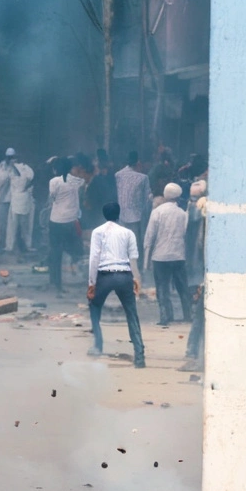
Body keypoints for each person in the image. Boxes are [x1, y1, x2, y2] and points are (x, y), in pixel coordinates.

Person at [86, 202, 146, 367]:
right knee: (131, 314)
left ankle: (98, 345)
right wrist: (136, 279)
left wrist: (91, 282)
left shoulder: (97, 232)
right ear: (118, 214)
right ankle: (140, 356)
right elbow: (133, 258)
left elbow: (94, 258)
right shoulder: (128, 233)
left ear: (104, 214)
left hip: (104, 275)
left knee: (95, 306)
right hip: (124, 275)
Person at [143, 182, 192, 325]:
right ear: (178, 197)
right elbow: (185, 234)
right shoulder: (183, 214)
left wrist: (146, 261)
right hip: (178, 256)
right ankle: (187, 315)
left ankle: (165, 317)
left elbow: (149, 236)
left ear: (165, 195)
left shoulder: (157, 212)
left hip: (160, 257)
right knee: (182, 286)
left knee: (162, 288)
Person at [47, 157, 85, 295]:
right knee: (74, 250)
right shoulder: (77, 181)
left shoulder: (54, 182)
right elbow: (82, 184)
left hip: (56, 220)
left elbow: (52, 198)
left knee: (55, 252)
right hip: (71, 221)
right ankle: (73, 277)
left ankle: (55, 282)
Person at [180, 178, 207, 372]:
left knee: (199, 317)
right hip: (200, 273)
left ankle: (193, 355)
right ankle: (193, 355)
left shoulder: (198, 216)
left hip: (202, 274)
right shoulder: (195, 215)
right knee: (199, 316)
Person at [115, 151, 152, 273]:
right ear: (138, 162)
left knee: (122, 244)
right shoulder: (143, 178)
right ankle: (136, 271)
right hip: (136, 216)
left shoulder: (118, 175)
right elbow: (147, 199)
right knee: (134, 245)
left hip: (120, 216)